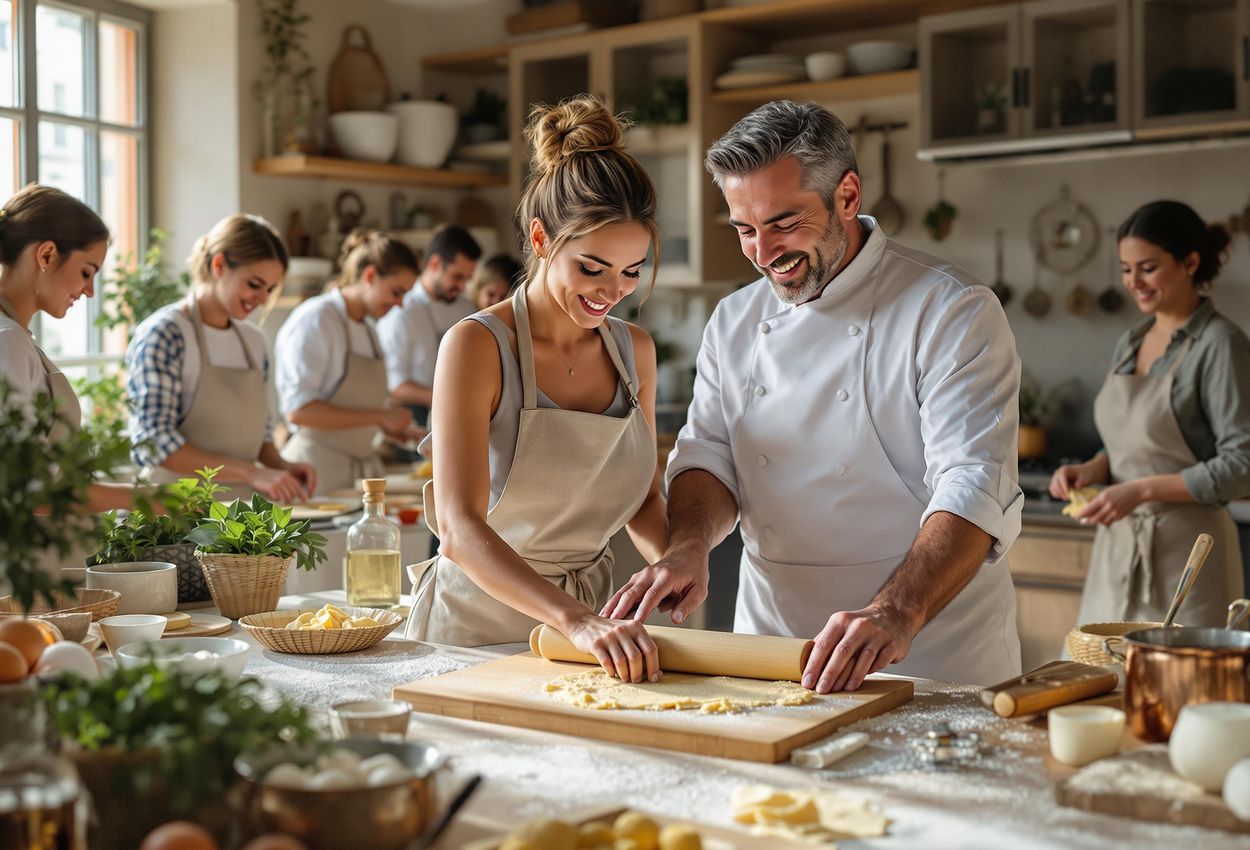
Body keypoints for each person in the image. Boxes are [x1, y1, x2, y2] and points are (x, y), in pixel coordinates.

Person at [603, 100, 1024, 690]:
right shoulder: (734, 320)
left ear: (847, 197)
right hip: (772, 648)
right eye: (745, 230)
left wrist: (896, 612)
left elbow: (974, 483)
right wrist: (688, 543)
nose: (763, 253)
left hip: (928, 652)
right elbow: (708, 455)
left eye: (783, 223)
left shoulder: (950, 309)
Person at [405, 95, 668, 684]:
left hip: (588, 634)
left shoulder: (635, 353)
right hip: (473, 633)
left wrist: (675, 563)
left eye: (632, 270)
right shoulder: (476, 346)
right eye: (592, 268)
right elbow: (459, 529)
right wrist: (573, 620)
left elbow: (644, 501)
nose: (612, 291)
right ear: (542, 239)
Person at [1051, 201, 1247, 628]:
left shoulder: (1220, 344)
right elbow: (1130, 441)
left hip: (1189, 558)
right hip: (1117, 554)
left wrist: (1138, 491)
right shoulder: (1131, 342)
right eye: (1125, 269)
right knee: (1099, 682)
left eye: (1147, 267)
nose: (1133, 282)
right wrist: (1092, 469)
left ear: (1190, 262)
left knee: (1182, 691)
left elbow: (1241, 466)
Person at [126, 214, 316, 503]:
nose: (263, 298)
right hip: (173, 514)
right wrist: (251, 473)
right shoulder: (166, 333)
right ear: (218, 265)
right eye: (254, 284)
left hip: (239, 518)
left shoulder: (253, 342)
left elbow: (259, 432)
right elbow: (153, 443)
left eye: (270, 289)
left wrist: (281, 465)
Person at [0, 184, 137, 512]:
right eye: (86, 272)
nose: (89, 291)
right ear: (46, 254)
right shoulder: (8, 341)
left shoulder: (17, 338)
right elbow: (22, 490)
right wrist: (144, 499)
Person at [275, 230, 423, 494]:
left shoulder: (368, 329)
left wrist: (391, 428)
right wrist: (381, 416)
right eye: (396, 292)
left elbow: (359, 408)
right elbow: (299, 411)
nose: (400, 304)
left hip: (358, 477)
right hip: (315, 474)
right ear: (369, 275)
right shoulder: (316, 319)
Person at [377, 225, 481, 429]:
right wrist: (449, 400)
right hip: (414, 418)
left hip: (462, 415)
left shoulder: (467, 308)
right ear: (435, 264)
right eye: (457, 277)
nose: (462, 287)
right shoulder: (400, 310)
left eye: (467, 280)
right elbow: (396, 386)